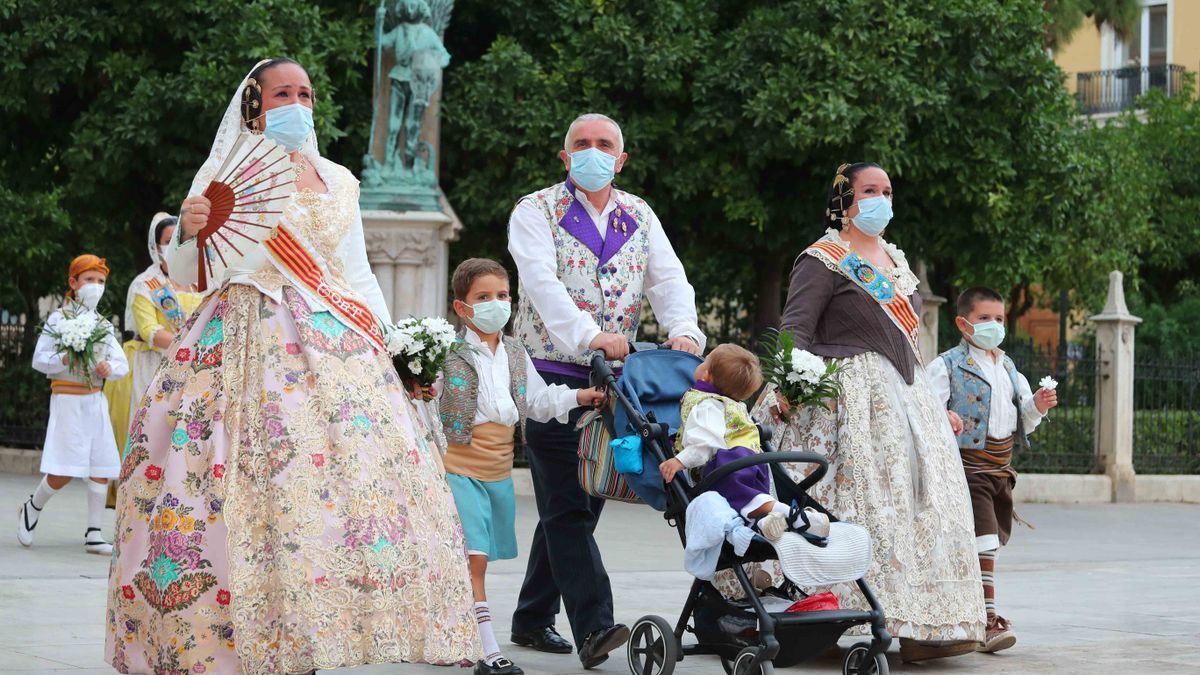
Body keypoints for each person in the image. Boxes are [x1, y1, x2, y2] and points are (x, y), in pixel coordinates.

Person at [105, 59, 479, 674]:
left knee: (337, 494)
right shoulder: (224, 173)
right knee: (237, 487)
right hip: (243, 335)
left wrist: (392, 348)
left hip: (336, 345)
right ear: (256, 102)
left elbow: (356, 275)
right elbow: (187, 275)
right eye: (284, 92)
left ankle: (317, 629)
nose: (297, 102)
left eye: (305, 93)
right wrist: (188, 236)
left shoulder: (339, 180)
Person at [507, 112, 706, 669]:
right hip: (552, 374)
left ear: (621, 159)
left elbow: (667, 279)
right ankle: (595, 626)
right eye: (581, 144)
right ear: (564, 156)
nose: (592, 152)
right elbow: (542, 285)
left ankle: (529, 615)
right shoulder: (535, 210)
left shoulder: (638, 214)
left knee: (579, 505)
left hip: (616, 383)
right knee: (568, 506)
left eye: (604, 145)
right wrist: (589, 335)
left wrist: (684, 331)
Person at [777, 162, 986, 662]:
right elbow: (795, 330)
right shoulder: (822, 258)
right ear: (845, 200)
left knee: (924, 504)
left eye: (888, 191)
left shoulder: (896, 261)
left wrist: (935, 408)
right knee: (868, 503)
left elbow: (910, 345)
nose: (881, 200)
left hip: (908, 401)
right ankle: (862, 613)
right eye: (870, 191)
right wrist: (788, 383)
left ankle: (926, 622)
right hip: (851, 402)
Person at [436, 258, 607, 675]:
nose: (496, 304)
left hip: (496, 472)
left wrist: (579, 397)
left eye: (502, 295)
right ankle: (488, 651)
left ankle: (449, 632)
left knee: (469, 561)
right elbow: (424, 408)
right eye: (483, 297)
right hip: (456, 468)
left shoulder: (514, 352)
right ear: (462, 307)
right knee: (474, 558)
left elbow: (537, 401)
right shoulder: (445, 353)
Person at [927, 286, 1058, 654]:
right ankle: (987, 620)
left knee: (985, 544)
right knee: (985, 541)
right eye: (984, 318)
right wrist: (945, 416)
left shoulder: (1009, 367)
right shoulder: (947, 364)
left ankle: (965, 614)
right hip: (967, 470)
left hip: (1001, 468)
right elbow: (926, 409)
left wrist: (1039, 405)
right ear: (963, 323)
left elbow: (1023, 418)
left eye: (999, 319)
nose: (994, 325)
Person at [659, 344, 829, 541]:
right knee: (749, 501)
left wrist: (679, 461)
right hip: (754, 463)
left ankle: (798, 517)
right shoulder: (735, 406)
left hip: (729, 467)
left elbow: (705, 445)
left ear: (706, 375)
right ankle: (766, 521)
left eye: (705, 360)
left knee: (745, 497)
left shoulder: (706, 405)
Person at [17, 254, 127, 555]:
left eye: (101, 281)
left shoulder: (102, 324)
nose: (95, 286)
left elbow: (121, 363)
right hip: (67, 399)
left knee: (100, 462)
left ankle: (94, 532)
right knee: (65, 467)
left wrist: (108, 368)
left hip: (95, 400)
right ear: (73, 283)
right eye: (89, 280)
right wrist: (63, 359)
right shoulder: (59, 319)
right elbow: (40, 359)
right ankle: (33, 506)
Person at [124, 212, 204, 415]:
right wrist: (192, 345)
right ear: (156, 246)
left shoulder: (200, 283)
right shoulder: (145, 284)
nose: (176, 246)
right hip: (155, 367)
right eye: (169, 241)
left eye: (182, 240)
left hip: (192, 367)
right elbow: (149, 331)